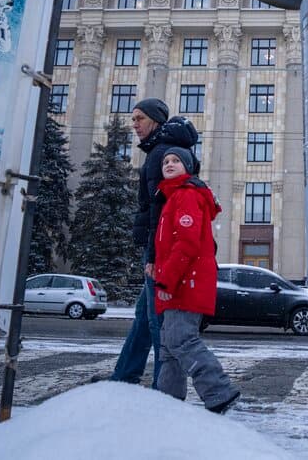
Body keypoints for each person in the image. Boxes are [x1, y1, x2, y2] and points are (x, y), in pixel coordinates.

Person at [106, 98, 198, 387]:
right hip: (157, 244)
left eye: (139, 119)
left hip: (159, 247)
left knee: (157, 318)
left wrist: (155, 256)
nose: (134, 124)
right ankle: (125, 374)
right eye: (133, 119)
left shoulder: (160, 154)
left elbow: (162, 210)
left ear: (156, 121)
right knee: (144, 316)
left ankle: (164, 384)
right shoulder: (162, 152)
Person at [153, 146, 240, 413]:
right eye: (166, 161)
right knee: (169, 346)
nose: (168, 164)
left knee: (181, 340)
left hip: (184, 282)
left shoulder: (187, 195)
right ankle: (168, 399)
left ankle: (219, 392)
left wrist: (166, 280)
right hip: (179, 280)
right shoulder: (172, 196)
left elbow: (187, 243)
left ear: (188, 167)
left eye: (176, 160)